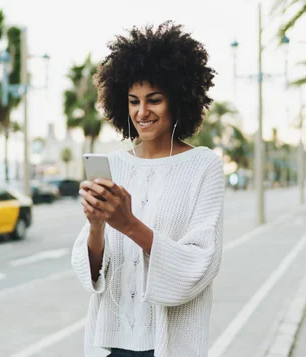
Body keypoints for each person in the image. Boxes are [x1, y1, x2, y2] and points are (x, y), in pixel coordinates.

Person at [71, 22, 225, 357]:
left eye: (154, 100)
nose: (142, 112)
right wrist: (97, 226)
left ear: (179, 99)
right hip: (108, 344)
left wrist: (128, 225)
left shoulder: (204, 166)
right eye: (133, 101)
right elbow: (91, 273)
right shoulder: (115, 164)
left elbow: (201, 263)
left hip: (169, 345)